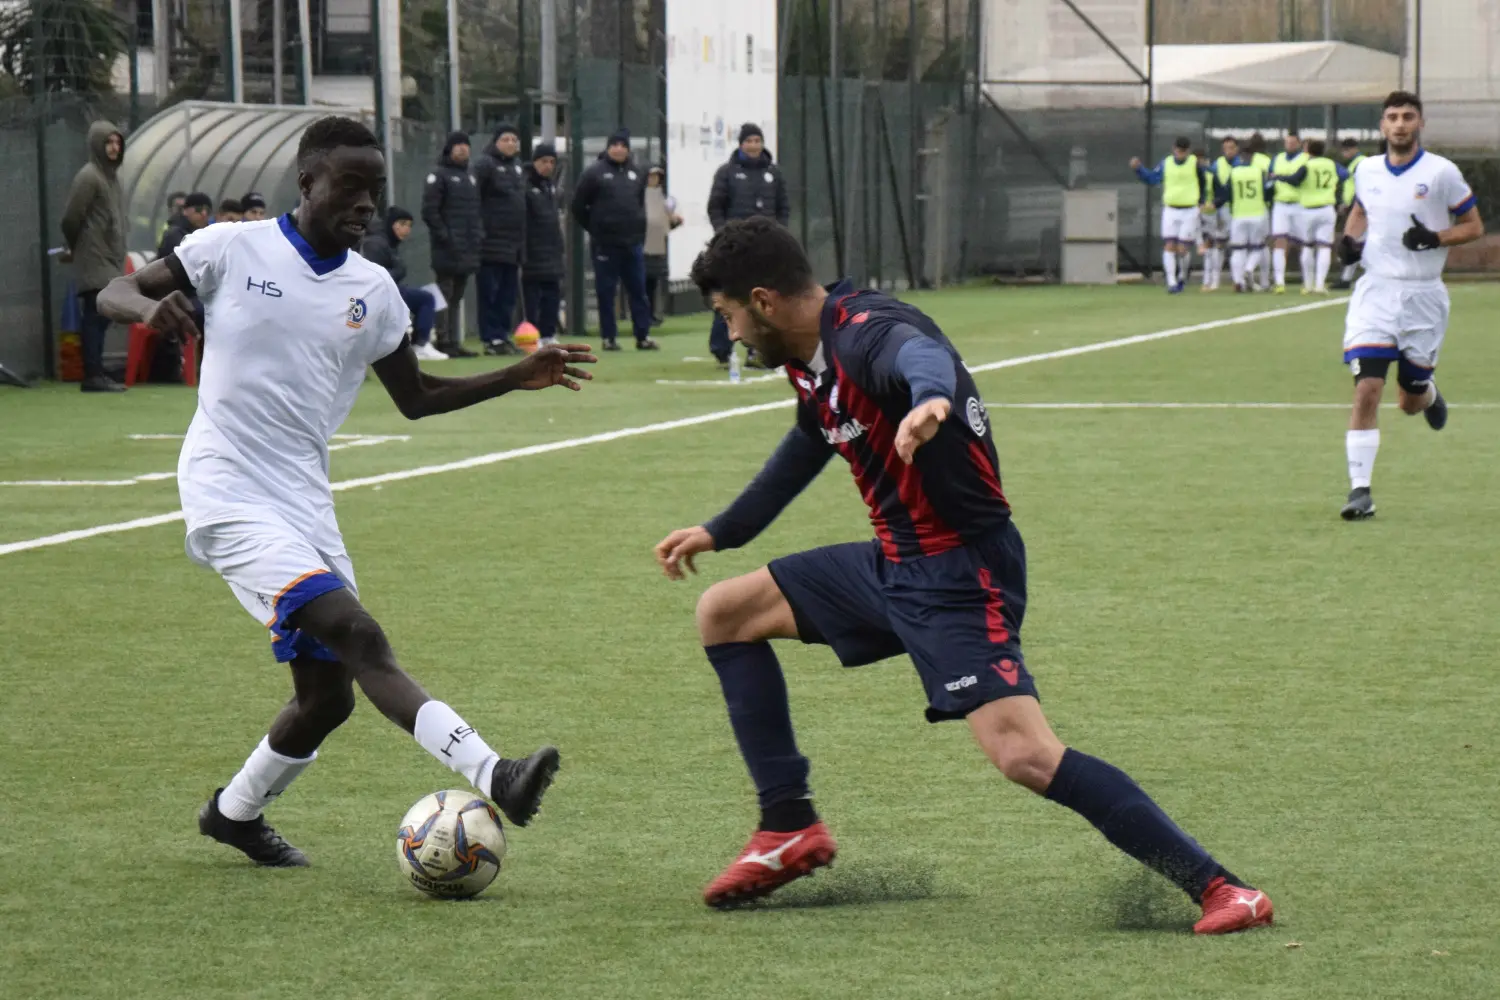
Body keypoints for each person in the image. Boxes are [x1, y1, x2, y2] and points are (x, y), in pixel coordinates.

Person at [653, 216, 1275, 933]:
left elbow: (918, 353)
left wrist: (929, 399)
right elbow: (810, 438)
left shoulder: (864, 334)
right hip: (897, 562)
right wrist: (721, 530)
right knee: (725, 612)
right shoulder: (810, 356)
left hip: (959, 572)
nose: (728, 333)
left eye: (727, 315)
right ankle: (787, 823)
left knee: (1023, 754)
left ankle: (1223, 888)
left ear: (762, 301)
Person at [95, 116, 596, 867]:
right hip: (226, 490)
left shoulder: (374, 289)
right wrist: (145, 308)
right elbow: (115, 287)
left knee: (327, 698)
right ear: (308, 183)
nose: (365, 204)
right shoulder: (232, 246)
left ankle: (233, 814)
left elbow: (417, 394)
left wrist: (516, 376)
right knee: (359, 635)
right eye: (351, 187)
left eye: (375, 191)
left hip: (304, 502)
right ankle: (496, 772)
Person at [1336, 91, 1483, 520]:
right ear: (1382, 126)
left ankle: (1428, 392)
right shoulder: (1366, 169)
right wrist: (1350, 243)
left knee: (1408, 398)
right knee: (1367, 388)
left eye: (1408, 117)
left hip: (1423, 296)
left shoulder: (1442, 172)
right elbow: (1361, 210)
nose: (1400, 124)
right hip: (1376, 291)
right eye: (1393, 117)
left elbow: (1473, 225)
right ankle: (1360, 491)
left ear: (1419, 123)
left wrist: (1435, 238)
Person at [707, 123, 791, 362]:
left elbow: (783, 207)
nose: (753, 145)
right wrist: (724, 235)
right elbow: (715, 206)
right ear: (741, 144)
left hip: (764, 248)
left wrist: (779, 234)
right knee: (729, 295)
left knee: (763, 299)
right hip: (734, 248)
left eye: (757, 141)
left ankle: (759, 348)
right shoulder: (727, 173)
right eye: (749, 141)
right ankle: (721, 348)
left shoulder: (773, 173)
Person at [570, 128, 658, 351]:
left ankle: (642, 335)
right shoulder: (594, 173)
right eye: (614, 145)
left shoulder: (636, 173)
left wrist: (638, 229)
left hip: (632, 243)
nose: (619, 149)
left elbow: (639, 203)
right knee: (606, 292)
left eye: (623, 145)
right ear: (608, 148)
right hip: (605, 244)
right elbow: (578, 205)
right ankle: (609, 337)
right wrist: (595, 228)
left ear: (628, 149)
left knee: (638, 291)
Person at [60, 120, 128, 392]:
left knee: (101, 313)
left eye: (116, 142)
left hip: (108, 257)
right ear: (96, 145)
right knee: (96, 312)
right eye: (108, 142)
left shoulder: (111, 178)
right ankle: (92, 375)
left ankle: (96, 370)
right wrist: (76, 245)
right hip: (95, 255)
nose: (113, 148)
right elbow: (70, 218)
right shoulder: (89, 176)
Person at [422, 130, 483, 358]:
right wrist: (445, 236)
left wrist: (477, 236)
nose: (463, 149)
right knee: (444, 292)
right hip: (447, 248)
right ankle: (442, 338)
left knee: (457, 296)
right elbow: (430, 211)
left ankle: (454, 340)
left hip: (467, 247)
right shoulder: (439, 176)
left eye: (465, 145)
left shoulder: (470, 177)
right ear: (449, 149)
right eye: (457, 145)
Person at [361, 205, 445, 360]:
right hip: (378, 295)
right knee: (426, 298)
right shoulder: (375, 243)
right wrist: (399, 270)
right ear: (392, 224)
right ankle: (420, 345)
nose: (407, 229)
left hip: (388, 292)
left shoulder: (386, 242)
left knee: (427, 297)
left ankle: (420, 342)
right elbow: (376, 278)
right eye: (403, 224)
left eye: (409, 226)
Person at [475, 124, 528, 356]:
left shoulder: (517, 168)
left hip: (513, 244)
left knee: (507, 295)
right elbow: (473, 200)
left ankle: (502, 336)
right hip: (490, 243)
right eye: (506, 139)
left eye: (514, 140)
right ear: (496, 142)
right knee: (490, 293)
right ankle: (490, 338)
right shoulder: (484, 165)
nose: (510, 144)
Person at [1271, 139, 1347, 294]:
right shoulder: (1331, 164)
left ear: (1308, 151)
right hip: (1327, 208)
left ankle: (1308, 284)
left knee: (1308, 246)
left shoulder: (1307, 165)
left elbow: (1294, 180)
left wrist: (1278, 177)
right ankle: (1320, 285)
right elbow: (1345, 175)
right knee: (1324, 246)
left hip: (1308, 210)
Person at [1130, 137, 1204, 294]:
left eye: (1183, 151)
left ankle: (1182, 275)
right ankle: (1171, 281)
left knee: (1183, 249)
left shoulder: (1194, 164)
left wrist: (1202, 201)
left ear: (1188, 151)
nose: (1180, 154)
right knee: (1170, 245)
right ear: (1173, 149)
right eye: (1178, 150)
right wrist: (1139, 169)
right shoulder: (1167, 163)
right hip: (1170, 209)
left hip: (1189, 210)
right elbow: (1152, 178)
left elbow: (1203, 182)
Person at [523, 143, 566, 347]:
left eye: (551, 162)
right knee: (532, 296)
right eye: (543, 161)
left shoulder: (551, 187)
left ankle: (548, 333)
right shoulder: (526, 186)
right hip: (532, 250)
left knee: (552, 294)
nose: (548, 166)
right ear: (534, 162)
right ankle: (533, 334)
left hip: (552, 249)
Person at [1216, 141, 1271, 293]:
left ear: (1241, 156)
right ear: (1252, 157)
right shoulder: (1259, 172)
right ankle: (1249, 269)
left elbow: (1226, 193)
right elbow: (1267, 192)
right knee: (1258, 246)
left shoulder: (1234, 172)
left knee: (1238, 249)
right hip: (1257, 213)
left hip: (1239, 215)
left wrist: (1214, 205)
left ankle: (1238, 280)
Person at [1268, 132, 1309, 292]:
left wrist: (1279, 177)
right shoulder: (1277, 158)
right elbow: (1270, 179)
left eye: (1293, 143)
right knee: (1279, 240)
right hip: (1281, 204)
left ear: (1299, 144)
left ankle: (1307, 281)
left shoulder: (1305, 159)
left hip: (1300, 204)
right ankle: (1279, 282)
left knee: (1304, 242)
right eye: (1287, 143)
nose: (1289, 145)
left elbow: (1297, 179)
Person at [644, 165, 682, 325]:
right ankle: (642, 315)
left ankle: (651, 313)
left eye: (656, 176)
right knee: (641, 282)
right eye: (651, 176)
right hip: (641, 244)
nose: (653, 179)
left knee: (652, 282)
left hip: (657, 245)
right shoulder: (639, 195)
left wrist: (674, 222)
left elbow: (666, 223)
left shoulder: (663, 198)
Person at [1204, 135, 1242, 292]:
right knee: (1219, 243)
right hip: (1223, 208)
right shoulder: (1217, 164)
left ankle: (1238, 280)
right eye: (1226, 148)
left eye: (1231, 147)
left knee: (1238, 246)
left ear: (1237, 149)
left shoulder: (1242, 164)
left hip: (1240, 209)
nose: (1229, 151)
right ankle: (1214, 281)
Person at [1333, 139, 1368, 289]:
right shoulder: (1356, 163)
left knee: (1357, 242)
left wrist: (1352, 204)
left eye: (1345, 151)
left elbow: (1361, 187)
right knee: (1355, 243)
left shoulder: (1361, 163)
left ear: (1352, 149)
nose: (1344, 154)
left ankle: (1347, 278)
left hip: (1360, 209)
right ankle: (1346, 278)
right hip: (1357, 208)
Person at [1246, 134, 1274, 290]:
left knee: (1244, 246)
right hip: (1260, 207)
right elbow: (1269, 185)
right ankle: (1257, 275)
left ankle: (1257, 280)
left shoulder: (1243, 162)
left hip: (1241, 208)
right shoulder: (1266, 162)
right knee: (1263, 243)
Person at [158, 192, 214, 258]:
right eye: (198, 209)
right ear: (185, 210)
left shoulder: (211, 234)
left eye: (208, 210)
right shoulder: (175, 234)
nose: (204, 213)